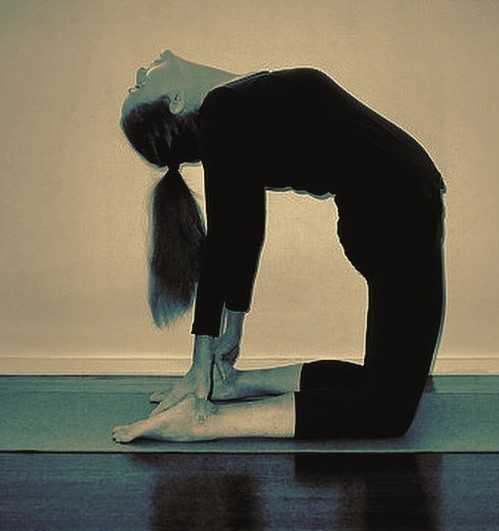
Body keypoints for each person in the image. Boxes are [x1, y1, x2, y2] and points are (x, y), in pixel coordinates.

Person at [113, 49, 446, 443]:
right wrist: (201, 361)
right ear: (175, 101)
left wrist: (228, 337)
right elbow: (226, 240)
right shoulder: (222, 111)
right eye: (139, 86)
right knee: (386, 412)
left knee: (382, 388)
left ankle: (232, 384)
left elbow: (244, 230)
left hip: (393, 219)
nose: (141, 70)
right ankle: (205, 422)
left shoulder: (233, 106)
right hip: (398, 218)